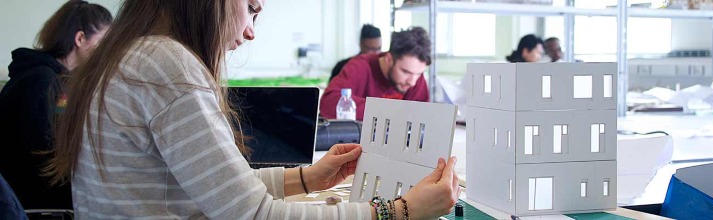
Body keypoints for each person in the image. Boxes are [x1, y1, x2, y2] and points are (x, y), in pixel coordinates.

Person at [44, 0, 459, 219]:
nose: (249, 31)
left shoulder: (135, 55)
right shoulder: (165, 65)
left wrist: (306, 178)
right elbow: (255, 216)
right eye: (252, 9)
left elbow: (218, 189)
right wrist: (401, 211)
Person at [0, 0, 112, 210]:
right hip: (30, 201)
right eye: (103, 43)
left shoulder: (52, 78)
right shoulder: (41, 81)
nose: (106, 53)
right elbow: (43, 156)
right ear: (80, 39)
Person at [320, 27, 431, 121]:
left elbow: (421, 117)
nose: (412, 82)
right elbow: (328, 104)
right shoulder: (360, 67)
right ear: (388, 59)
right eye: (405, 72)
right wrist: (388, 110)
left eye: (419, 74)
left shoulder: (415, 76)